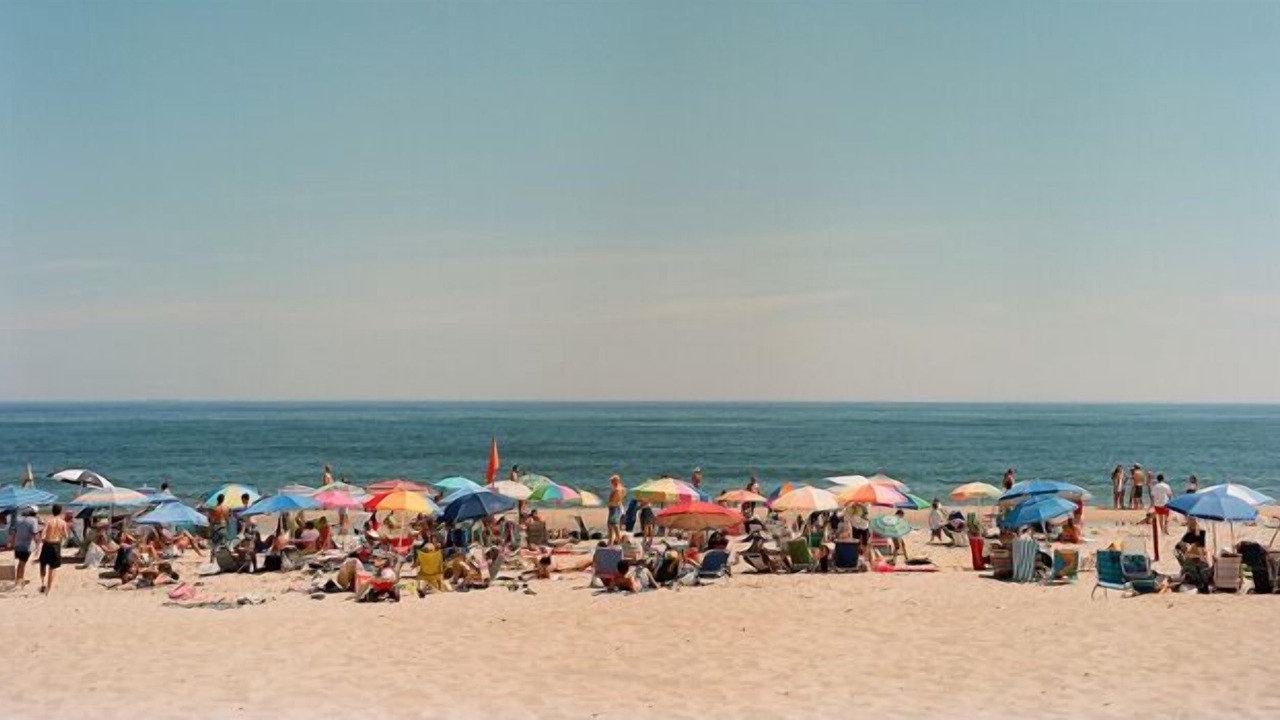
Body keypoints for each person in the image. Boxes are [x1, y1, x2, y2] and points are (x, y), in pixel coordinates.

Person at [38, 503, 68, 595]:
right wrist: (59, 535)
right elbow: (66, 536)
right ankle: (48, 589)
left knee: (43, 564)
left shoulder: (49, 521)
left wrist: (42, 539)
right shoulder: (63, 522)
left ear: (52, 511)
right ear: (60, 511)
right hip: (56, 545)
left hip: (47, 544)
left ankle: (43, 583)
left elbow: (43, 533)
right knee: (52, 568)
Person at [10, 505, 40, 587]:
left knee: (20, 563)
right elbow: (35, 534)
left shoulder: (18, 519)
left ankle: (18, 579)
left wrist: (12, 543)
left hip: (17, 545)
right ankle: (20, 581)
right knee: (22, 563)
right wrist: (38, 544)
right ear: (34, 513)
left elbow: (13, 533)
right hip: (26, 546)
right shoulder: (33, 521)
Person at [607, 474, 626, 545]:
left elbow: (613, 499)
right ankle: (613, 540)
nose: (611, 483)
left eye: (612, 481)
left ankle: (615, 540)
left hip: (614, 507)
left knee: (613, 524)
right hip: (617, 506)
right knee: (613, 524)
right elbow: (622, 496)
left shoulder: (617, 489)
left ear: (616, 481)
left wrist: (611, 502)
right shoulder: (622, 489)